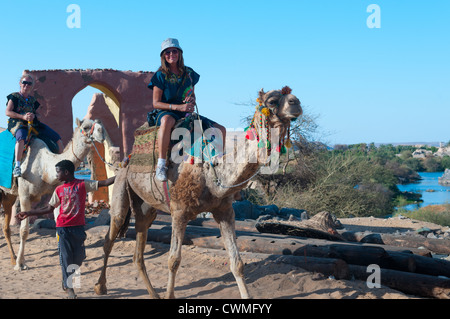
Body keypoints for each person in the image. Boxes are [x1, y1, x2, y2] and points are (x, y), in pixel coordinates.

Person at [17, 160, 115, 299]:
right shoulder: (59, 190)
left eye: (58, 172)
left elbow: (104, 183)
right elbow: (49, 208)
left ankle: (67, 281)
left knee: (79, 258)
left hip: (78, 229)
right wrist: (28, 213)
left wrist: (121, 175)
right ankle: (69, 288)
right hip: (62, 229)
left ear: (66, 172)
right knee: (66, 258)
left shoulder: (82, 185)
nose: (57, 175)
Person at [148, 38, 226, 181]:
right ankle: (161, 164)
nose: (171, 54)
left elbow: (192, 94)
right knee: (167, 120)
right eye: (168, 52)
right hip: (166, 111)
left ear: (179, 53)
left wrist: (191, 100)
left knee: (221, 129)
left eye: (174, 51)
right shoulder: (160, 75)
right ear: (163, 56)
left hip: (186, 113)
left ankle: (219, 164)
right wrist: (177, 107)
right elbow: (155, 103)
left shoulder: (189, 73)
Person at [6, 74, 64, 177]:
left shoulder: (33, 101)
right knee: (21, 137)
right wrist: (23, 117)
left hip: (33, 124)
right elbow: (8, 112)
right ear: (20, 83)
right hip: (18, 123)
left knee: (57, 137)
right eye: (24, 82)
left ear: (32, 86)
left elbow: (39, 115)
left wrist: (34, 115)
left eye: (29, 83)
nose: (26, 85)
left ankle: (61, 165)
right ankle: (17, 166)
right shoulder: (14, 97)